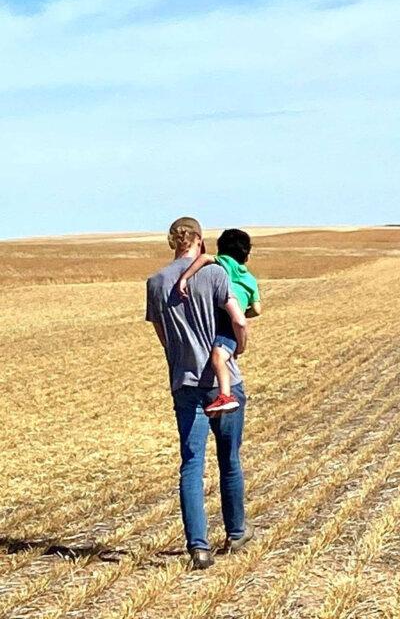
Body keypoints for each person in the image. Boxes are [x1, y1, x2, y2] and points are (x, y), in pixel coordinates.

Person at [145, 216, 255, 570]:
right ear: (200, 240)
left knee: (192, 465)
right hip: (225, 384)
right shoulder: (216, 274)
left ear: (172, 241)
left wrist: (180, 361)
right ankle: (236, 532)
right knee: (230, 460)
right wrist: (239, 348)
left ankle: (198, 547)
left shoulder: (156, 282)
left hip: (185, 385)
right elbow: (238, 320)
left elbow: (163, 337)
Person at [176, 228, 262, 416]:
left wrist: (184, 278)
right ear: (247, 255)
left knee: (218, 357)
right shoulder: (250, 279)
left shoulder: (224, 263)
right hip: (235, 321)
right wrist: (244, 310)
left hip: (226, 322)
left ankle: (225, 395)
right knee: (222, 355)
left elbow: (204, 258)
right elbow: (257, 309)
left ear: (221, 249)